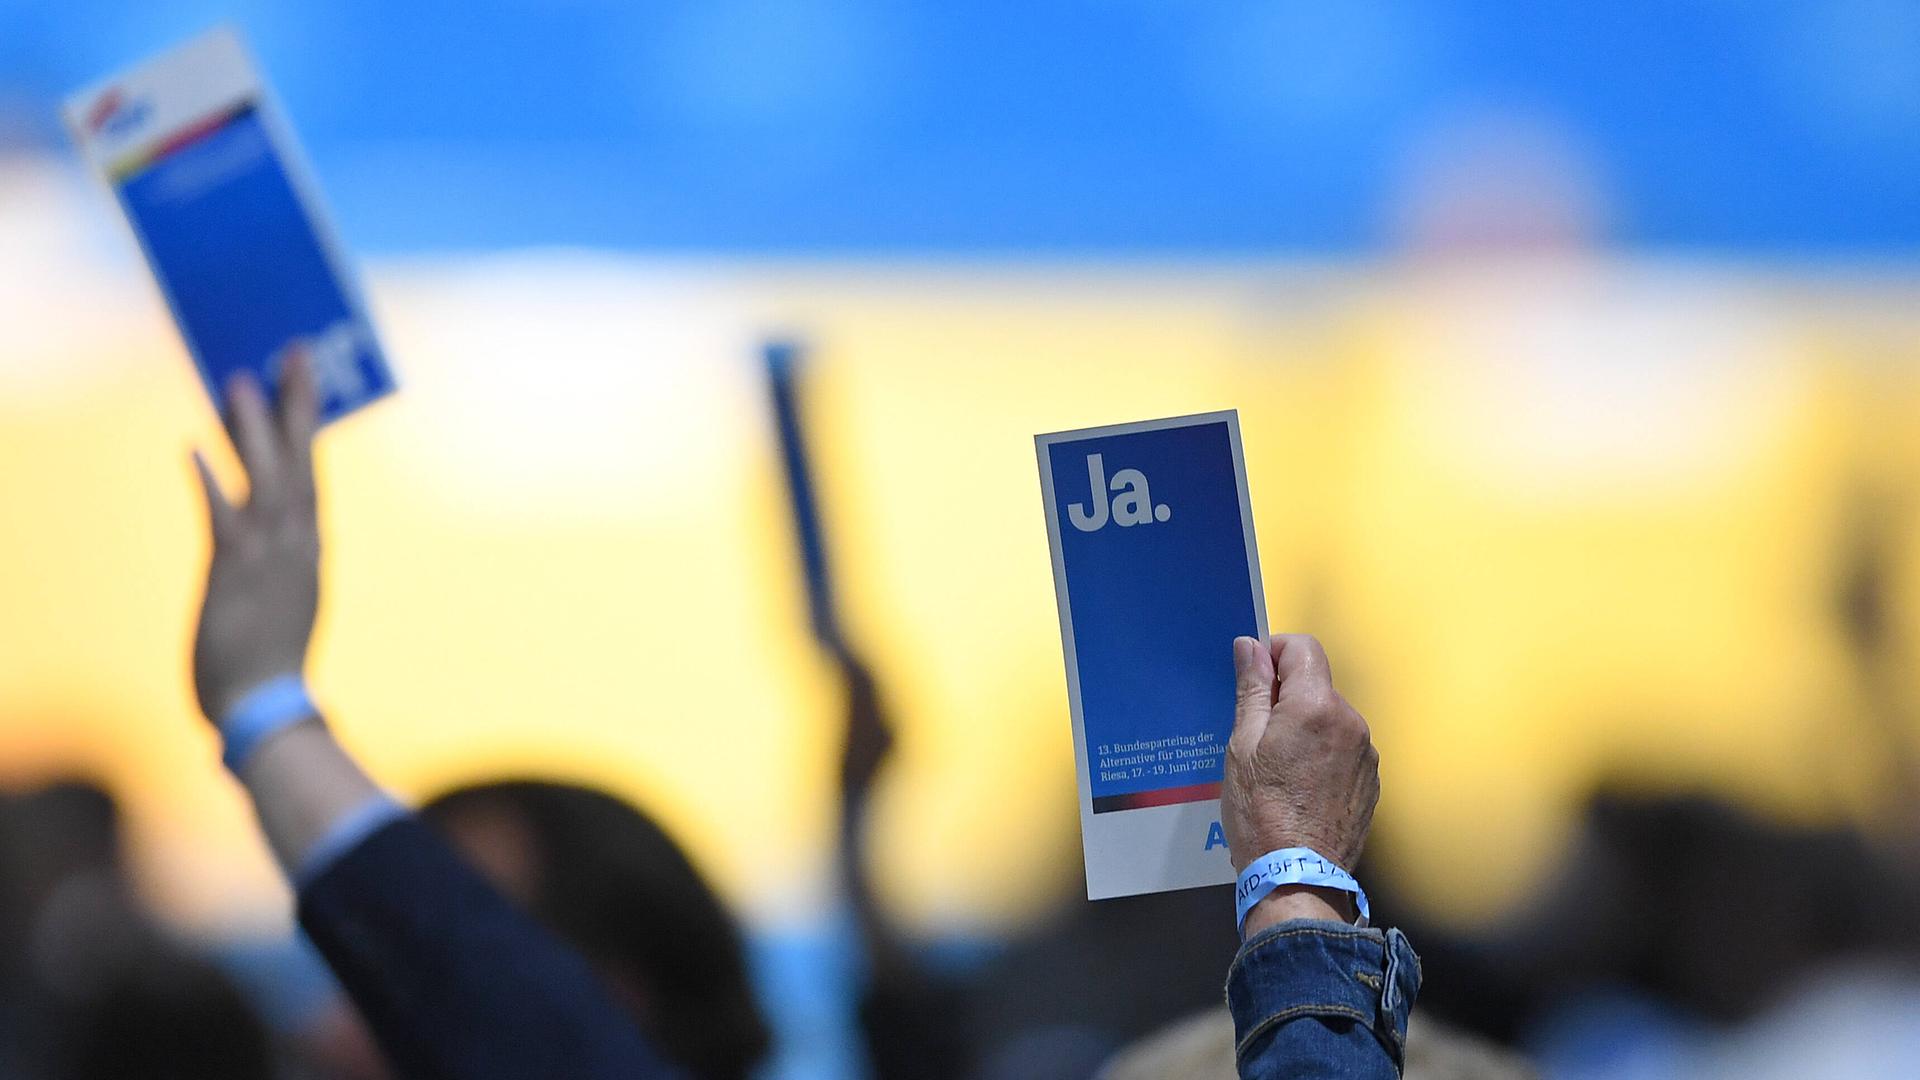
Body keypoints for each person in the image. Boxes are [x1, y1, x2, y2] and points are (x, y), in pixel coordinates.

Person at [185, 356, 1417, 1079]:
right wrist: (1298, 880)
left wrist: (267, 714)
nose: (326, 1019)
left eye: (411, 948)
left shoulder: (1452, 985)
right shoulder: (1059, 970)